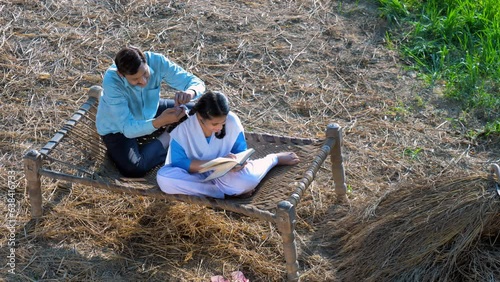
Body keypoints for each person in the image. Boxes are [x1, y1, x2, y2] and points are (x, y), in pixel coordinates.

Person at [156, 90, 300, 199]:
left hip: (226, 175)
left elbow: (241, 152)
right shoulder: (184, 126)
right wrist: (213, 164)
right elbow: (179, 163)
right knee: (164, 178)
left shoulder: (232, 120)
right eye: (214, 124)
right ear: (200, 118)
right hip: (193, 174)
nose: (219, 127)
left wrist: (238, 164)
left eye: (222, 123)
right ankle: (227, 193)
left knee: (247, 179)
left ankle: (272, 159)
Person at [96, 46, 205, 177]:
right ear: (121, 75)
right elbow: (128, 128)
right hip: (118, 128)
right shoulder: (112, 80)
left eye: (145, 74)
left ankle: (171, 135)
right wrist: (160, 122)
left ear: (146, 61)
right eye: (135, 80)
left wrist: (190, 92)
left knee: (201, 111)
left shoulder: (157, 61)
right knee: (134, 168)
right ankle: (168, 136)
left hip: (150, 111)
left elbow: (195, 82)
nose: (143, 81)